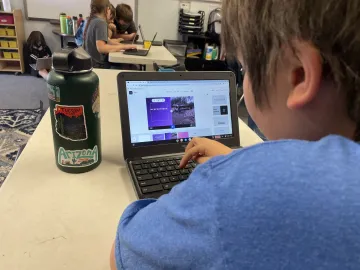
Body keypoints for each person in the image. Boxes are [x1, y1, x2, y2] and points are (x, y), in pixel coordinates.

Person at [111, 0, 360, 269]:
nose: (244, 78)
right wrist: (236, 158)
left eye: (245, 69)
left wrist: (232, 174)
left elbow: (124, 254)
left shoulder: (233, 189)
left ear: (299, 76)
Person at [84, 0, 135, 69]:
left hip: (91, 63)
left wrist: (124, 45)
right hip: (98, 65)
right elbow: (102, 48)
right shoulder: (101, 22)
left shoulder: (93, 20)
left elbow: (106, 41)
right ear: (108, 9)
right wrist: (123, 47)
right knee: (127, 67)